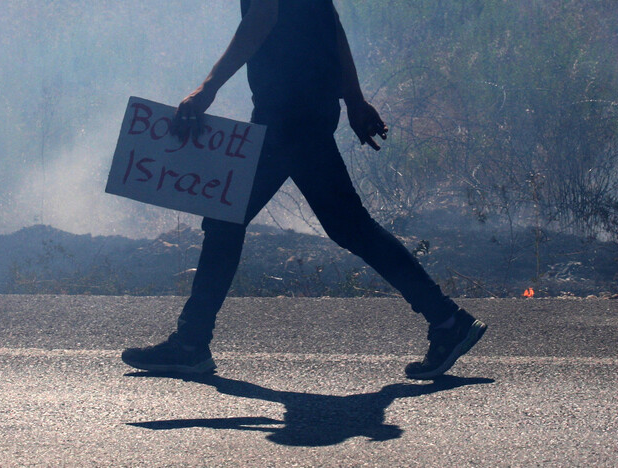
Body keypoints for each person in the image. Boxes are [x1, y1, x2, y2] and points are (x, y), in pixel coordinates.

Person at [122, 0, 486, 379]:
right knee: (342, 225)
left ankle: (191, 343)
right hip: (302, 110)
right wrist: (354, 99)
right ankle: (446, 319)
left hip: (287, 115)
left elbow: (263, 16)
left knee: (228, 215)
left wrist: (208, 87)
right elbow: (332, 24)